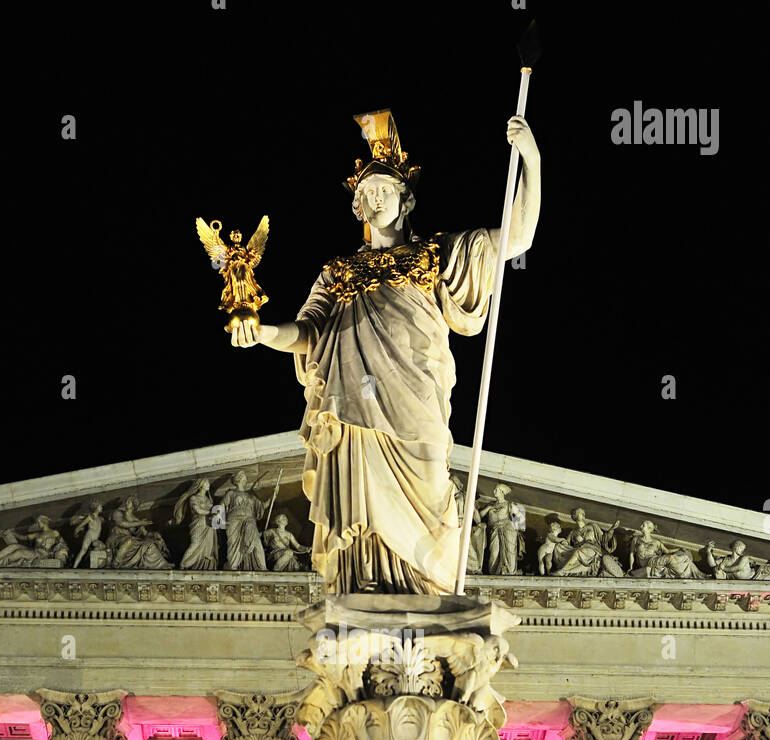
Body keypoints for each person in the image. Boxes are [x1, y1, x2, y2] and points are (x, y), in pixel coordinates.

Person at [229, 110, 541, 595]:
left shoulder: (437, 254)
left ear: (406, 198)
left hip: (416, 400)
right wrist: (263, 331)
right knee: (363, 511)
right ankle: (369, 586)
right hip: (354, 409)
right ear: (356, 208)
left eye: (382, 190)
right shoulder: (338, 273)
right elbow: (308, 333)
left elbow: (518, 236)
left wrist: (531, 159)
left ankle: (429, 590)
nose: (373, 199)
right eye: (364, 194)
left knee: (433, 484)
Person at [173, 479, 219, 570]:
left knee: (209, 547)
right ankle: (182, 564)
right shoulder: (193, 498)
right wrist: (210, 512)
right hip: (198, 524)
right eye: (206, 483)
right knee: (195, 544)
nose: (208, 484)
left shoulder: (208, 499)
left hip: (208, 526)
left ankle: (204, 563)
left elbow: (214, 513)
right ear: (200, 485)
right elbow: (197, 510)